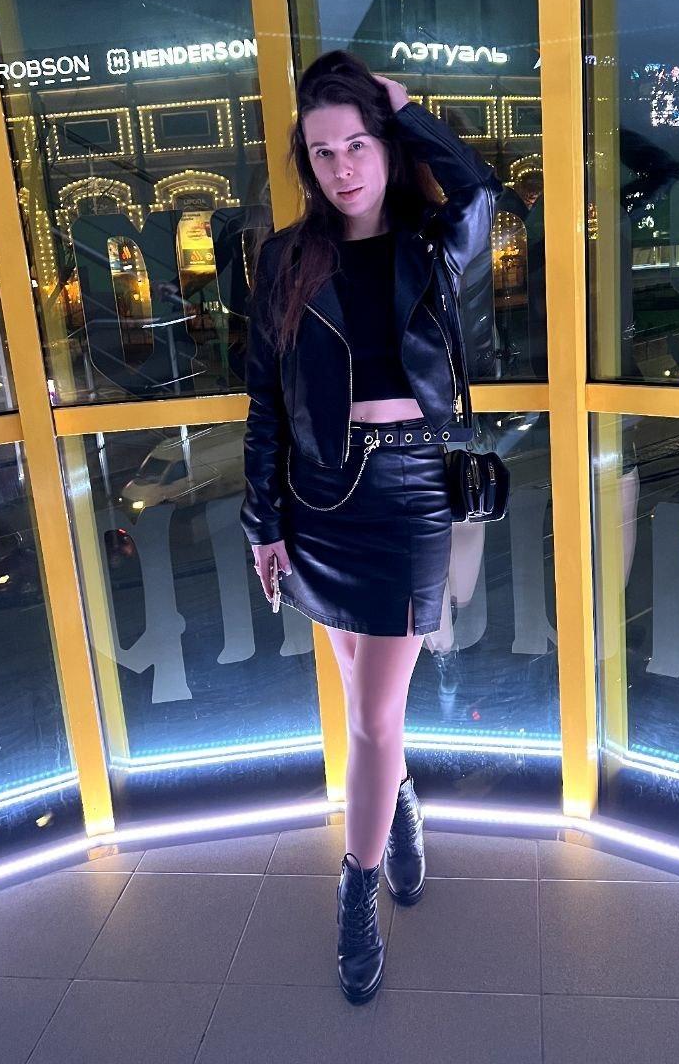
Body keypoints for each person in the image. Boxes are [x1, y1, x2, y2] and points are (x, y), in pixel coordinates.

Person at [239, 49, 501, 1004]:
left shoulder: (436, 240)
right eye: (322, 152)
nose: (342, 167)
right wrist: (263, 523)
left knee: (373, 715)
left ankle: (355, 886)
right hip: (319, 497)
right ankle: (399, 802)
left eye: (357, 144)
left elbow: (482, 190)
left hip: (410, 494)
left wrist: (405, 105)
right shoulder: (285, 259)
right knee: (361, 697)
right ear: (304, 163)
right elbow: (265, 402)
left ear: (385, 145)